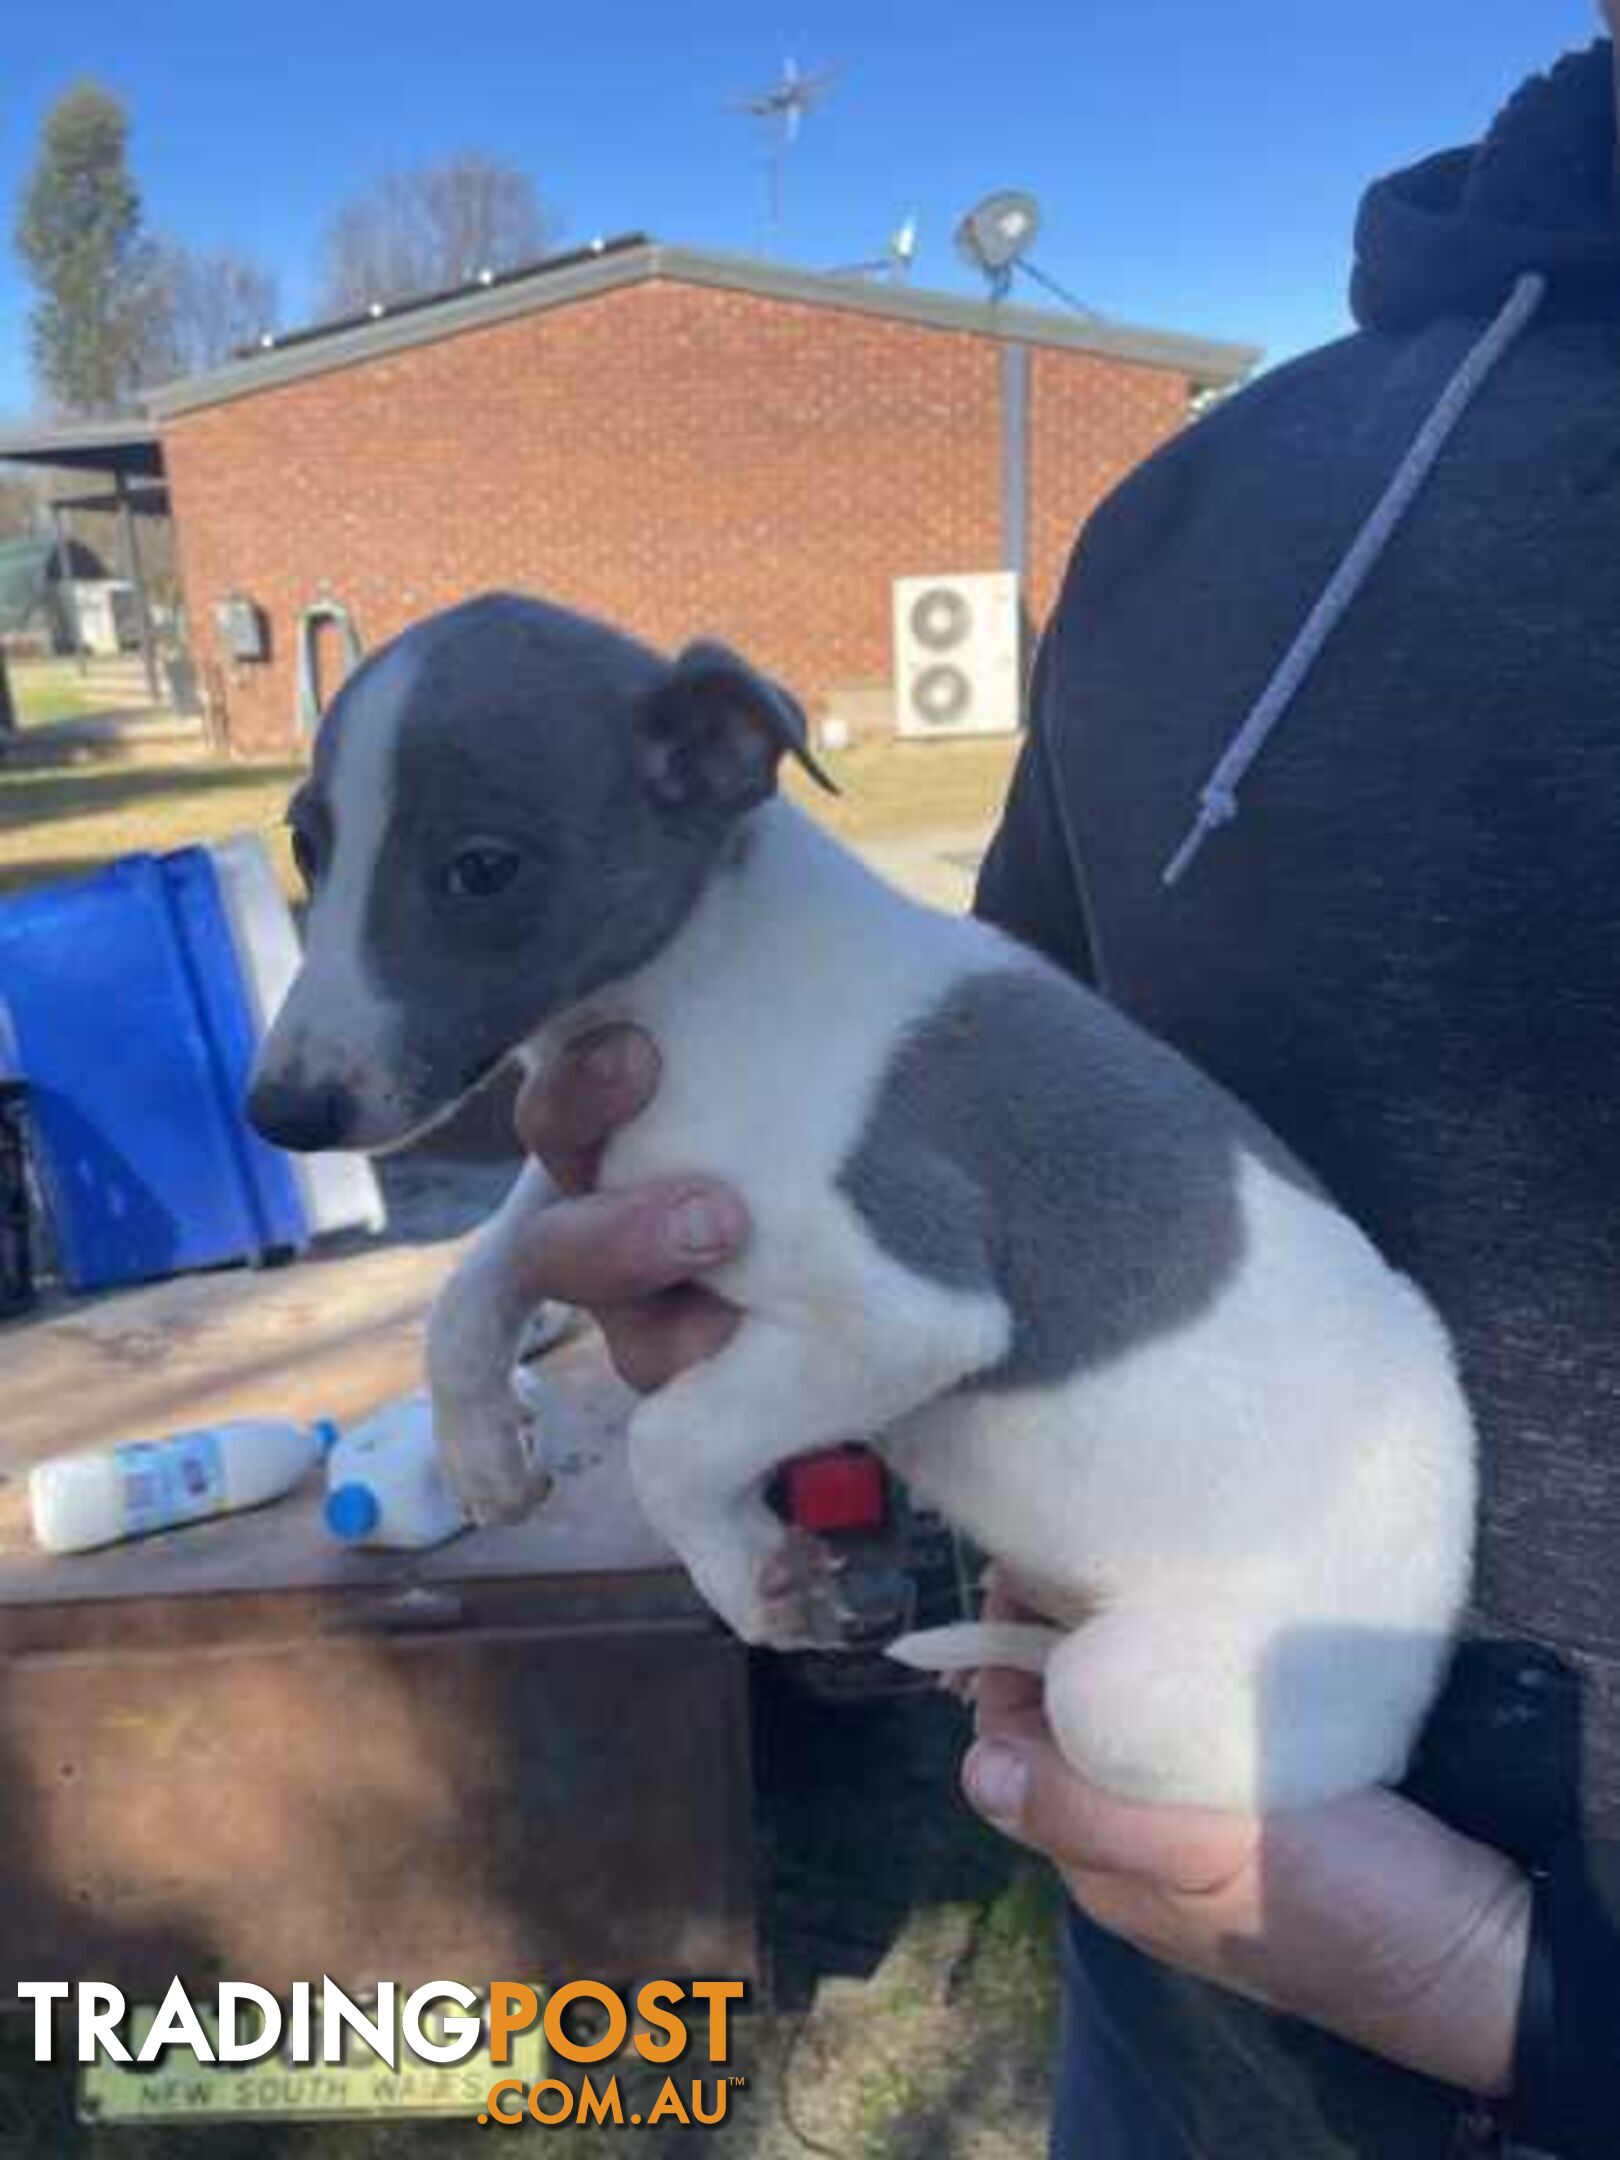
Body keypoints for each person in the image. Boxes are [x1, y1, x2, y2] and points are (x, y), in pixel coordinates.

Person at [497, 26, 1620, 2156]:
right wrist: (749, 1261)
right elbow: (994, 1141)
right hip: (1187, 2000)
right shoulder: (1203, 509)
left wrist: (1527, 2003)